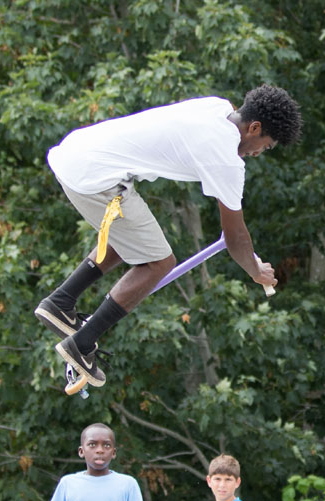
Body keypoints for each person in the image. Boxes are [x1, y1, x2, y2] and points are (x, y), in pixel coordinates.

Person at [36, 85, 303, 387]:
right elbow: (235, 237)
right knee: (158, 262)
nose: (257, 153)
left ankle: (61, 302)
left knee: (132, 239)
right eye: (264, 146)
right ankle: (81, 345)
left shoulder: (215, 107)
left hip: (76, 153)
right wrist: (256, 272)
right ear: (254, 128)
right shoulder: (225, 158)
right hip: (95, 178)